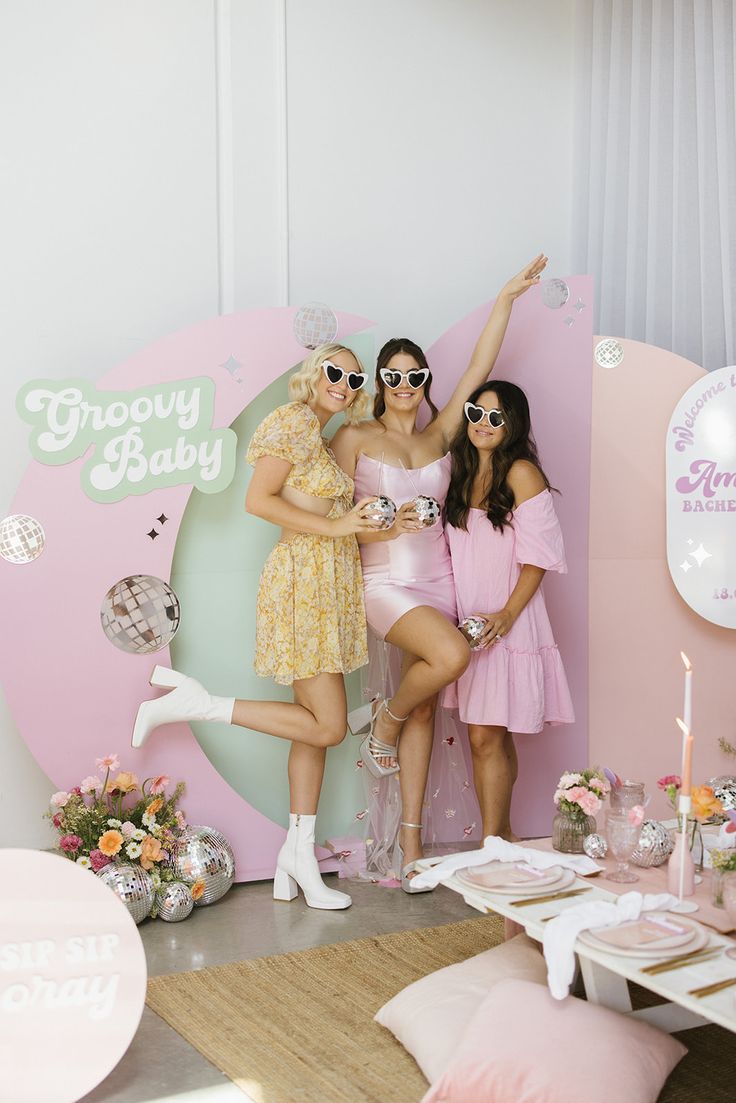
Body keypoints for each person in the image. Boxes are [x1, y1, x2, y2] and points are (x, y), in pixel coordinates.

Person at [131, 344, 380, 910]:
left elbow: (329, 519)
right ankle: (200, 703)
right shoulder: (291, 422)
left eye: (352, 377)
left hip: (329, 584)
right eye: (333, 373)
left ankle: (298, 854)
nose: (342, 383)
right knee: (330, 727)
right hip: (302, 584)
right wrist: (338, 524)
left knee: (311, 730)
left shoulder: (319, 435)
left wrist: (371, 526)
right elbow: (259, 500)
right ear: (313, 377)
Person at [331, 254, 547, 890]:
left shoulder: (443, 433)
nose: (405, 383)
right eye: (393, 374)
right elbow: (335, 517)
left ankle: (412, 853)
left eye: (415, 374)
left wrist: (505, 298)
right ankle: (386, 723)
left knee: (428, 707)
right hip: (385, 584)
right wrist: (379, 521)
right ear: (379, 380)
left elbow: (482, 366)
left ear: (426, 380)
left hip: (441, 582)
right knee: (448, 658)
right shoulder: (353, 437)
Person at [443, 380, 575, 839]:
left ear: (513, 424)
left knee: (485, 736)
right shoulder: (458, 473)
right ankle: (506, 836)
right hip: (471, 626)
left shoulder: (520, 473)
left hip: (510, 622)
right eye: (476, 413)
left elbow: (539, 558)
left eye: (495, 417)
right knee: (493, 735)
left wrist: (506, 616)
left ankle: (492, 842)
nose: (483, 423)